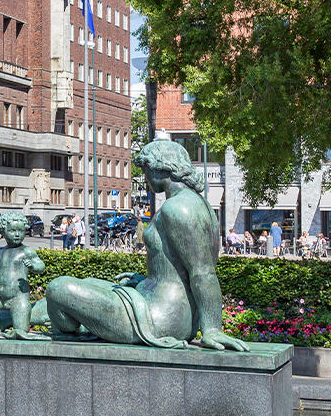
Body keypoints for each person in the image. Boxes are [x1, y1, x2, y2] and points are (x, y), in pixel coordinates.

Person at [41, 140, 250, 352]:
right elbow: (181, 270)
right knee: (89, 283)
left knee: (58, 288)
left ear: (161, 169)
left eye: (146, 170)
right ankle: (18, 317)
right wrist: (147, 281)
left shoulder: (179, 207)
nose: (147, 177)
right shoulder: (195, 202)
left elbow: (203, 272)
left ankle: (32, 321)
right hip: (161, 310)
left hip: (158, 320)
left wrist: (212, 329)